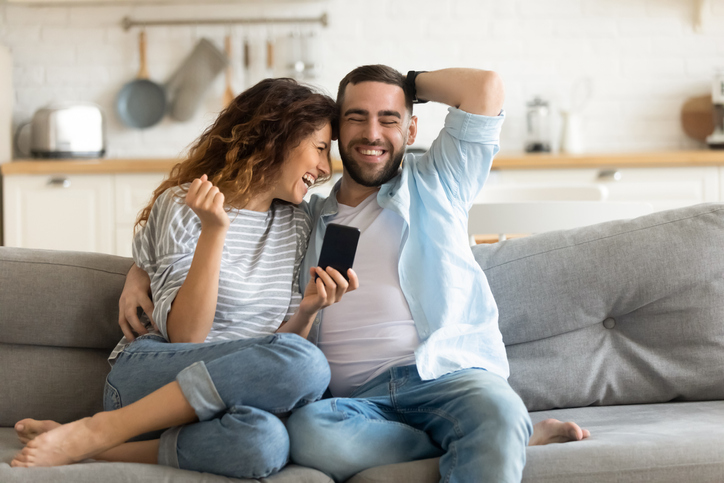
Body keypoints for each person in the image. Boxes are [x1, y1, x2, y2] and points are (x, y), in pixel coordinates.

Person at [10, 78, 359, 479]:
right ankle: (100, 427)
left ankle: (92, 445)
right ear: (276, 137)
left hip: (230, 400)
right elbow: (188, 336)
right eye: (319, 148)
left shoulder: (296, 223)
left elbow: (275, 350)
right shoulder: (183, 203)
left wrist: (309, 310)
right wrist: (214, 231)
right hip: (151, 378)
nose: (323, 166)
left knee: (266, 443)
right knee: (310, 366)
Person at [281, 65, 586, 483]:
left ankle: (495, 430)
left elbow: (485, 88)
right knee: (307, 433)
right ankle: (493, 438)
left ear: (410, 131)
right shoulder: (306, 219)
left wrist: (408, 83)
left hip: (446, 378)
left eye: (389, 119)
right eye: (356, 117)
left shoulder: (440, 179)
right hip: (359, 403)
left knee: (498, 410)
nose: (372, 133)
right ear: (336, 130)